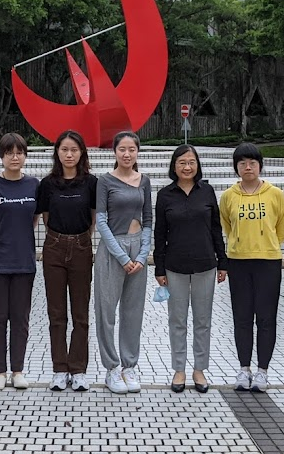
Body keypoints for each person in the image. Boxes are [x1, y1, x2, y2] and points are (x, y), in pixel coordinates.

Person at [154, 145, 228, 393]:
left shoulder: (206, 191)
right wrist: (159, 268)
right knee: (177, 320)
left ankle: (199, 369)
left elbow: (215, 228)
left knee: (202, 320)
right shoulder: (165, 195)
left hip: (205, 265)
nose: (187, 167)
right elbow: (159, 233)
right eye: (182, 162)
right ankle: (179, 369)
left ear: (198, 165)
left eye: (191, 162)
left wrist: (222, 261)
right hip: (174, 267)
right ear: (174, 166)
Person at [220, 142, 284, 393]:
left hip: (268, 261)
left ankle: (262, 371)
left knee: (267, 317)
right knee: (242, 317)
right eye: (242, 163)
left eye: (252, 163)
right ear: (236, 167)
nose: (248, 167)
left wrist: (266, 245)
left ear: (260, 165)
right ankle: (244, 368)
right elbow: (227, 226)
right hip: (238, 261)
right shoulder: (228, 196)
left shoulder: (275, 194)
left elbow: (280, 227)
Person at [37, 130, 98, 392]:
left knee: (81, 313)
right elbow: (45, 216)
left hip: (82, 247)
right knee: (56, 313)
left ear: (81, 152)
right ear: (57, 153)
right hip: (53, 247)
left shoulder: (91, 183)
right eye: (64, 149)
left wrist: (81, 238)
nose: (69, 154)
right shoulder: (48, 183)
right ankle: (60, 369)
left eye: (74, 149)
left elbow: (94, 216)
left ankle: (79, 369)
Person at [0, 132, 39, 391]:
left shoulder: (34, 185)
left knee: (20, 317)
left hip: (23, 261)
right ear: (1, 156)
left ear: (25, 155)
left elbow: (35, 218)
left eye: (19, 152)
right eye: (9, 153)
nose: (14, 157)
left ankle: (17, 370)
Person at [94, 130, 152, 394]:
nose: (127, 154)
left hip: (137, 248)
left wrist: (141, 255)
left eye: (132, 149)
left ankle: (129, 366)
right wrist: (120, 255)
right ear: (115, 152)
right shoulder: (105, 181)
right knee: (106, 312)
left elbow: (149, 220)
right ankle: (112, 368)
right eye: (122, 149)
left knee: (133, 312)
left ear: (137, 152)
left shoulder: (144, 181)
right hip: (111, 250)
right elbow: (101, 221)